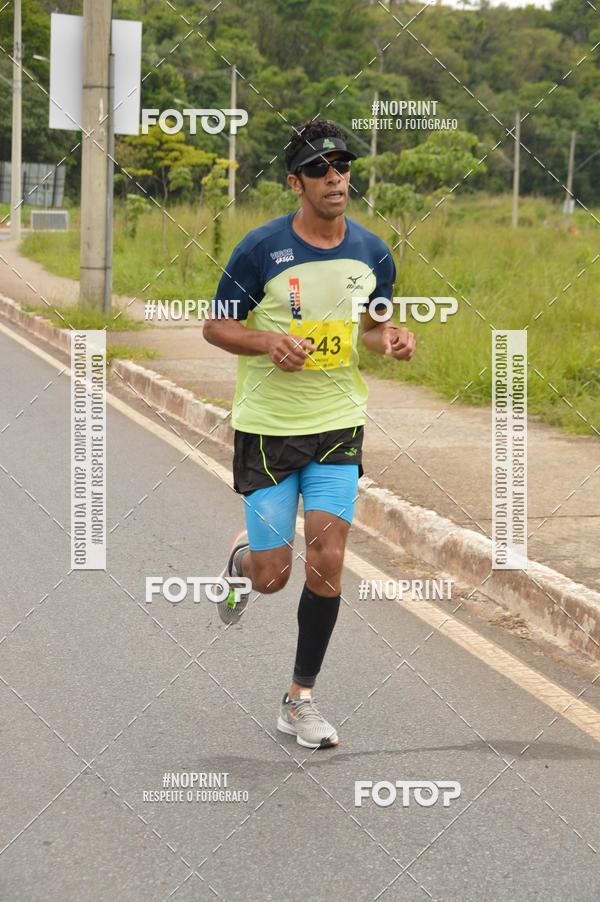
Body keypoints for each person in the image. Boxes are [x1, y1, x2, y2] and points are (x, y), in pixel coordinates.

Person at [203, 118, 415, 749]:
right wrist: (267, 341)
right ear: (296, 182)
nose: (335, 178)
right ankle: (242, 561)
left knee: (328, 559)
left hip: (337, 424)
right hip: (269, 428)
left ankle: (300, 698)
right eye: (319, 169)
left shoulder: (373, 252)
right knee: (274, 576)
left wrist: (392, 339)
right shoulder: (260, 249)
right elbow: (216, 326)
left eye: (342, 167)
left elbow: (374, 327)